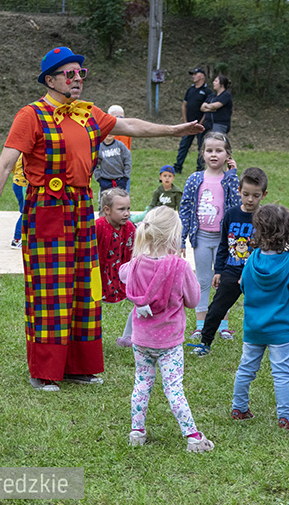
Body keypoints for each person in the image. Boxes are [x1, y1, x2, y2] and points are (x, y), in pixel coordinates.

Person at [0, 46, 203, 392]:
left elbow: (129, 125)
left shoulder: (88, 114)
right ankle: (45, 371)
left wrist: (173, 130)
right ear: (50, 80)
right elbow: (5, 163)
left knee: (84, 285)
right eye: (69, 74)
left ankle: (80, 366)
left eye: (80, 73)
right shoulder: (31, 116)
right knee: (50, 290)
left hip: (82, 206)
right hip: (46, 208)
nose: (77, 79)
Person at [118, 206, 214, 452]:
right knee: (173, 387)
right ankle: (193, 436)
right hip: (169, 342)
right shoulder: (179, 267)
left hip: (141, 339)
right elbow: (193, 300)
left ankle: (137, 431)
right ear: (174, 236)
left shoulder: (136, 263)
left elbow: (122, 275)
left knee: (141, 382)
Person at [231, 205, 289, 429]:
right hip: (280, 330)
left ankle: (238, 408)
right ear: (288, 232)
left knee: (246, 368)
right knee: (281, 373)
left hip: (253, 327)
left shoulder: (252, 260)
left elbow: (245, 287)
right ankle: (285, 417)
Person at [189, 167, 268, 356]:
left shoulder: (266, 217)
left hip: (257, 272)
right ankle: (205, 342)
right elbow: (223, 244)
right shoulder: (231, 214)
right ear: (239, 191)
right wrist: (218, 270)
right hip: (232, 270)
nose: (250, 199)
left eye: (256, 195)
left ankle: (270, 344)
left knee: (262, 309)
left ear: (264, 195)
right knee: (216, 308)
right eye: (246, 194)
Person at [179, 131, 241, 340]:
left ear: (228, 155)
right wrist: (181, 238)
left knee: (225, 283)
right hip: (202, 238)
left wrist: (233, 176)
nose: (214, 155)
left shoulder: (231, 179)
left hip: (225, 242)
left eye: (219, 150)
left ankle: (222, 325)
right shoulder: (195, 179)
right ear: (202, 154)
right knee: (203, 280)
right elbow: (185, 209)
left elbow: (237, 205)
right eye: (209, 150)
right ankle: (200, 324)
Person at [96, 188, 134, 303]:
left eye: (128, 209)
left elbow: (129, 255)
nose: (126, 213)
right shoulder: (98, 226)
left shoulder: (130, 228)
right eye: (121, 209)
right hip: (100, 272)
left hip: (119, 273)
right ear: (107, 210)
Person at [174, 68, 211, 173]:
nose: (193, 76)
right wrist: (186, 122)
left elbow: (207, 110)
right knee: (183, 146)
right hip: (189, 125)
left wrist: (201, 122)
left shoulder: (207, 92)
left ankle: (200, 168)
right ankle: (178, 167)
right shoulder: (190, 90)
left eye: (195, 74)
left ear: (202, 76)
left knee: (201, 147)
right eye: (192, 74)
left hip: (201, 125)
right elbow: (184, 105)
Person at [94, 127, 132, 197]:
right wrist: (98, 177)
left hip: (120, 180)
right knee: (106, 201)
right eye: (107, 131)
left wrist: (126, 176)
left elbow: (128, 159)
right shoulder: (99, 147)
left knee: (120, 201)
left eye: (112, 131)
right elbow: (94, 163)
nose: (110, 133)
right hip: (105, 181)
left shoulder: (120, 145)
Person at [10, 154, 28, 249]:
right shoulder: (26, 154)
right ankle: (17, 239)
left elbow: (12, 167)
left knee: (27, 211)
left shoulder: (19, 152)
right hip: (23, 185)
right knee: (26, 212)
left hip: (18, 184)